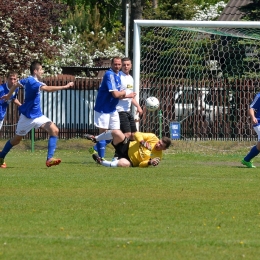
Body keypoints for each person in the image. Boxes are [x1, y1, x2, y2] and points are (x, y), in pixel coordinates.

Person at [0, 61, 74, 168]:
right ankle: (1, 156)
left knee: (54, 130)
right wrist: (65, 86)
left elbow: (16, 84)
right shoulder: (33, 82)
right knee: (16, 140)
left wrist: (8, 95)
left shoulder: (27, 79)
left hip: (38, 115)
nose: (42, 71)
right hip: (27, 117)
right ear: (35, 71)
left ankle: (49, 159)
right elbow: (47, 89)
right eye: (41, 69)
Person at [89, 57, 136, 159]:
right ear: (111, 64)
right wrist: (124, 93)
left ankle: (99, 149)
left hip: (112, 108)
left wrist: (123, 94)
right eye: (116, 64)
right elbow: (115, 94)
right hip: (103, 108)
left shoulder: (119, 75)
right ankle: (101, 158)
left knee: (116, 133)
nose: (118, 66)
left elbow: (120, 93)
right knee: (104, 133)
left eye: (119, 64)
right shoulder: (109, 74)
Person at [85, 130, 172, 167]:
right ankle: (95, 139)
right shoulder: (153, 137)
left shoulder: (158, 157)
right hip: (126, 145)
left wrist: (149, 162)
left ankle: (101, 161)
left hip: (130, 160)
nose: (158, 145)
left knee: (124, 164)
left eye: (161, 146)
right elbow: (137, 134)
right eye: (159, 142)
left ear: (164, 149)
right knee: (116, 132)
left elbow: (141, 164)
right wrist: (142, 141)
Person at [241, 93, 260, 168]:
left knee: (259, 147)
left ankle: (246, 160)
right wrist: (253, 117)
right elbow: (251, 108)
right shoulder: (259, 96)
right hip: (258, 122)